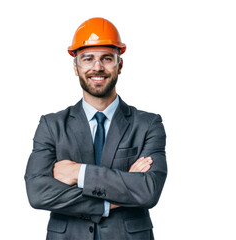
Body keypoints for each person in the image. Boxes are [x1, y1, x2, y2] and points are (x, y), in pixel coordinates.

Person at [25, 17, 167, 240]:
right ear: (76, 67)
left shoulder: (148, 124)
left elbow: (148, 191)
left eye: (107, 58)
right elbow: (38, 193)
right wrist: (113, 200)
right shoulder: (51, 126)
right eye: (88, 59)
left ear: (119, 65)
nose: (97, 67)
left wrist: (77, 173)